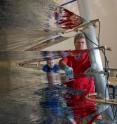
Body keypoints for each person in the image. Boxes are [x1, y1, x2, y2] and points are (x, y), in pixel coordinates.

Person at [59, 33, 103, 123]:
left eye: (83, 42)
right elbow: (61, 62)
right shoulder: (70, 53)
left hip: (87, 92)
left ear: (85, 43)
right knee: (75, 117)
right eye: (78, 42)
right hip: (73, 93)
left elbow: (97, 64)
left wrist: (94, 66)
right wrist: (65, 67)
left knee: (90, 116)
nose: (80, 44)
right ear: (74, 43)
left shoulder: (90, 54)